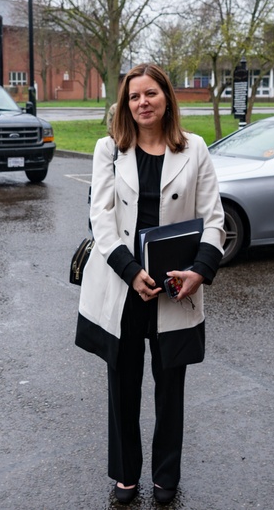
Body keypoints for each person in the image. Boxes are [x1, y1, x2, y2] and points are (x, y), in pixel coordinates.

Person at [75, 63, 225, 505]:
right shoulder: (110, 149)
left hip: (175, 287)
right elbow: (100, 217)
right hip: (124, 285)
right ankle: (125, 473)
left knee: (170, 385)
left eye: (151, 94)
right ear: (126, 104)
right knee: (123, 384)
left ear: (166, 98)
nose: (142, 102)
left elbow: (214, 219)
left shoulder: (194, 148)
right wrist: (128, 270)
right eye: (134, 96)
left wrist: (200, 271)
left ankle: (166, 475)